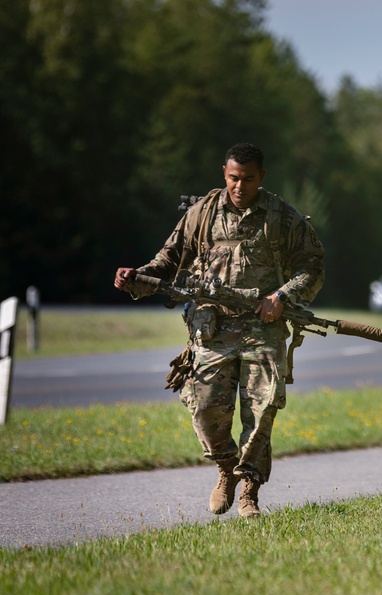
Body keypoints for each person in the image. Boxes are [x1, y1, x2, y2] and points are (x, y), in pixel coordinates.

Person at [114, 143, 325, 518]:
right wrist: (136, 278)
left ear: (261, 177)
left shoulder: (283, 218)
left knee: (260, 414)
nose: (239, 186)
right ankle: (225, 469)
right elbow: (168, 260)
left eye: (247, 179)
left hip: (264, 328)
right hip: (212, 328)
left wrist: (281, 295)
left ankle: (249, 491)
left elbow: (312, 267)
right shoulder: (202, 213)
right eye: (232, 178)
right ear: (223, 174)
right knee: (206, 410)